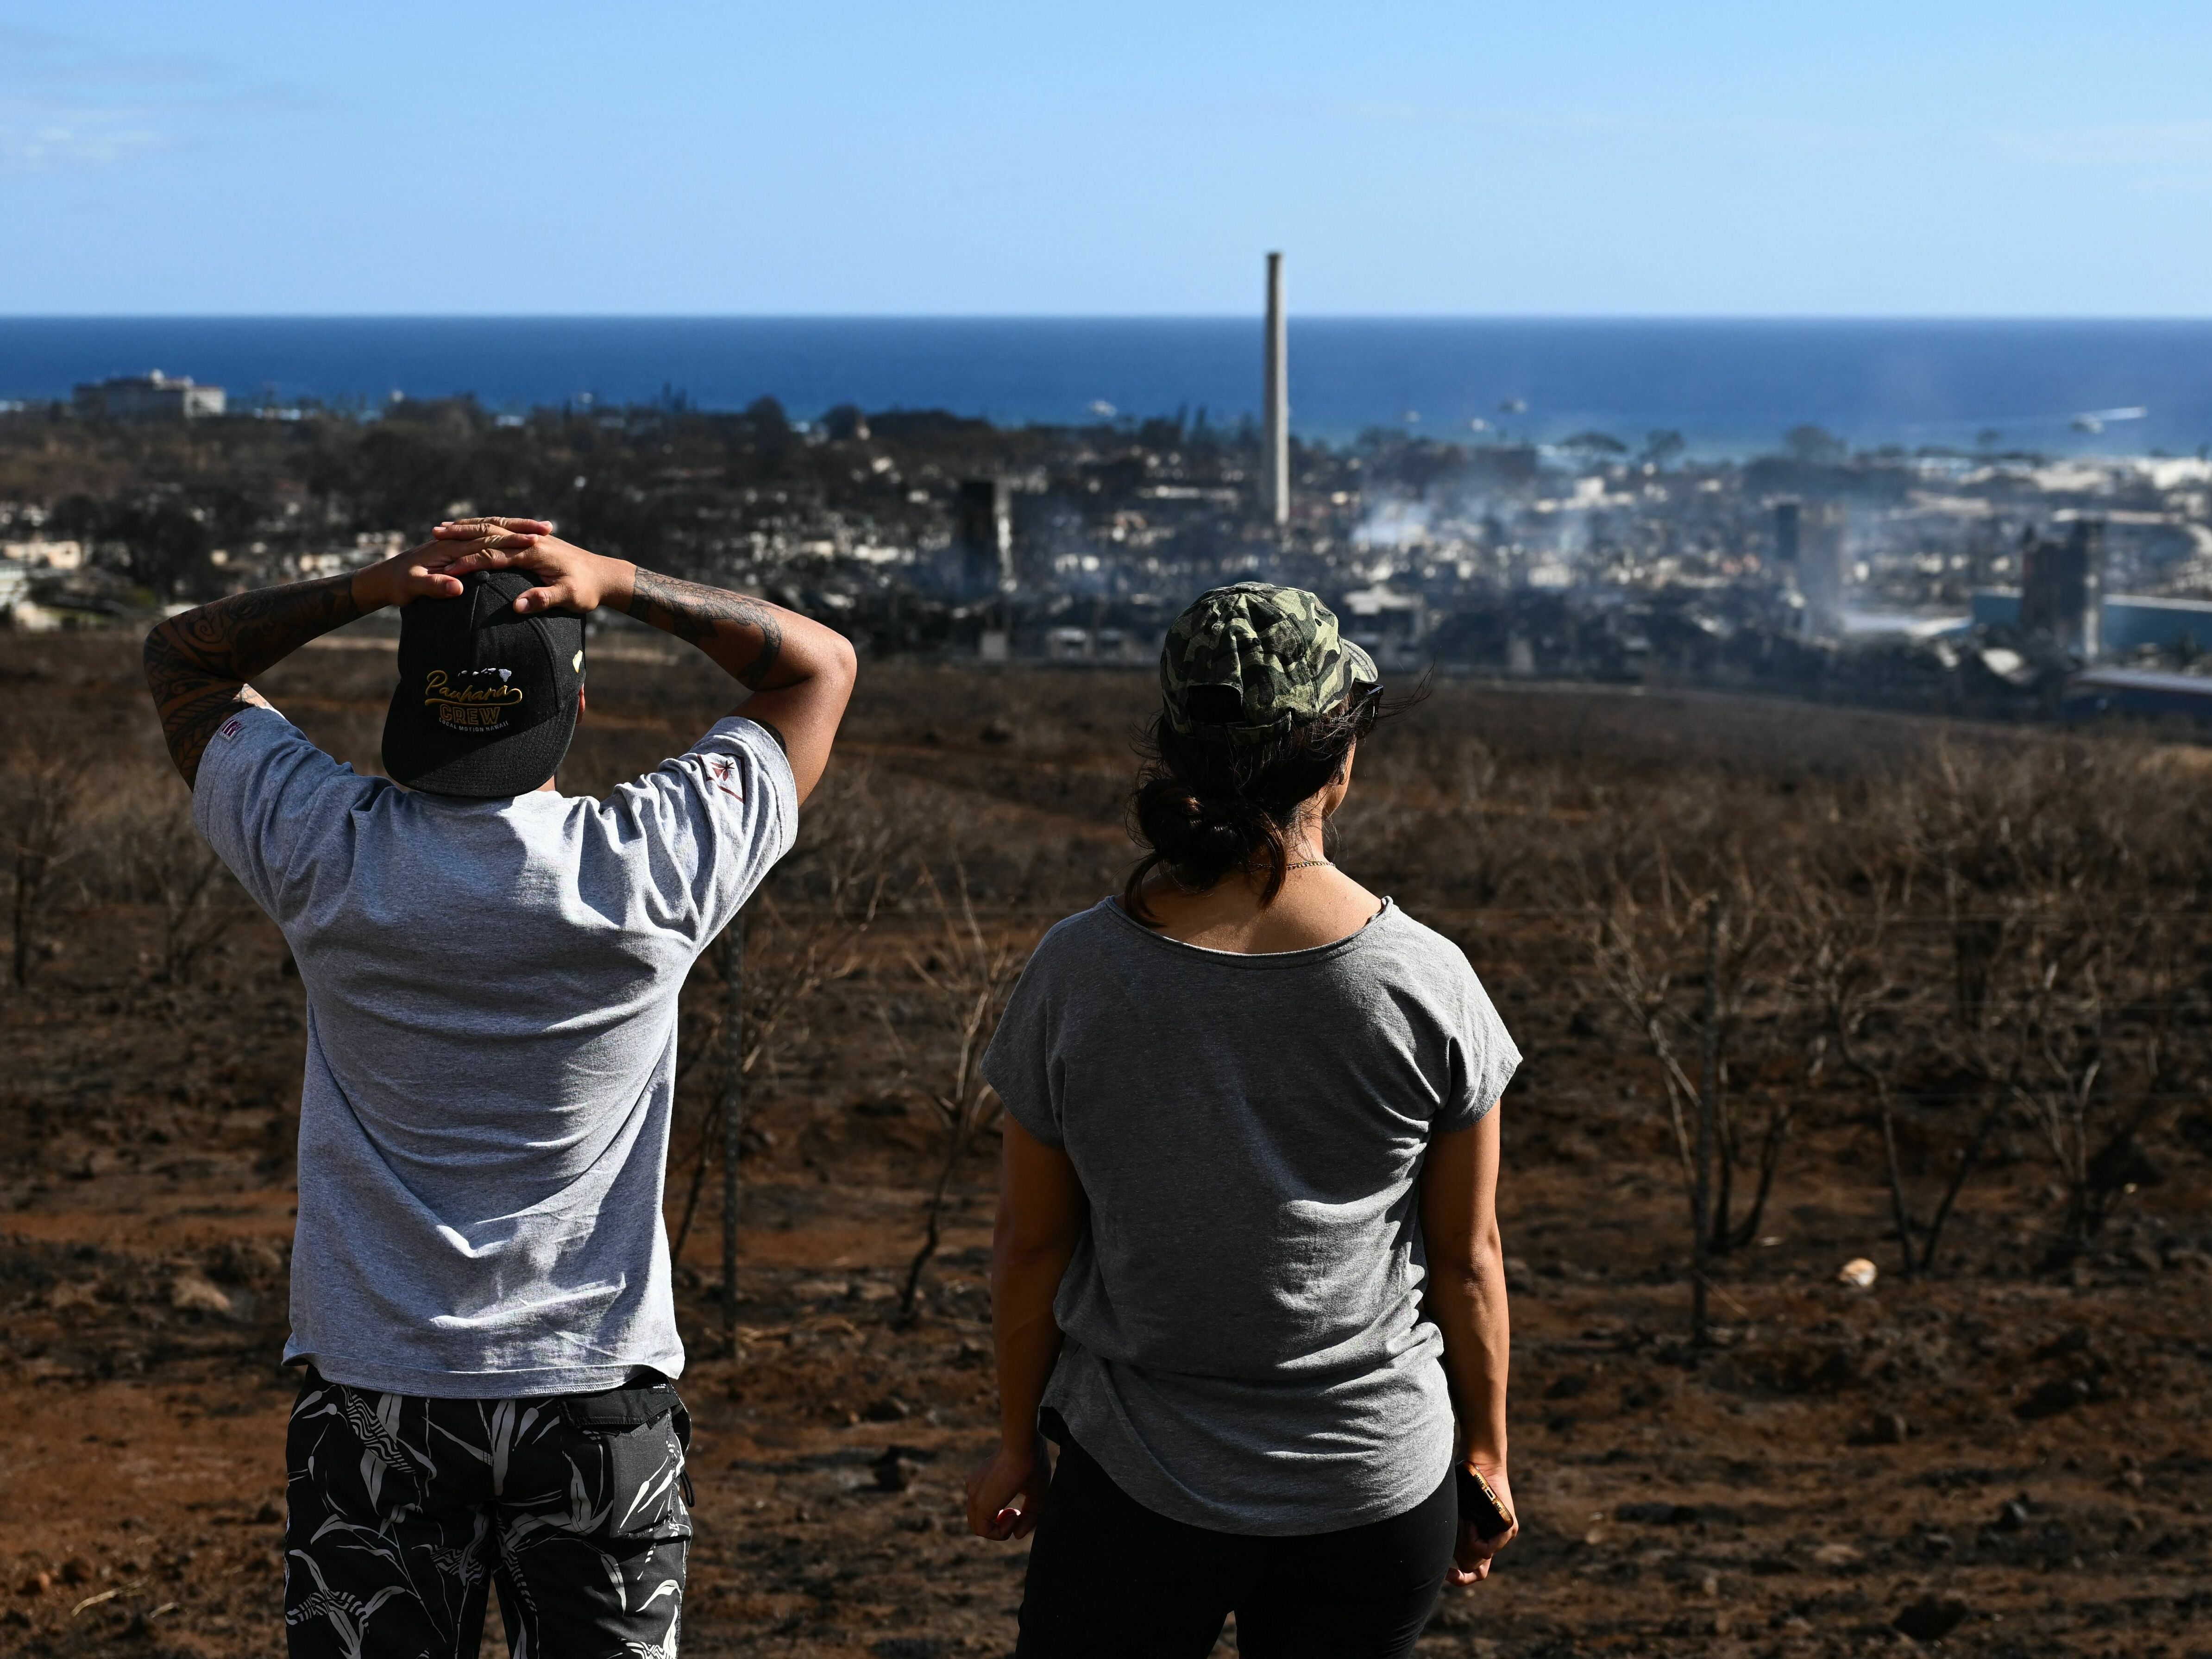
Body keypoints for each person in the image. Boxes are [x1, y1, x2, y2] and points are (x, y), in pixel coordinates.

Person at [141, 516, 856, 1659]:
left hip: (377, 1398)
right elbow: (819, 666)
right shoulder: (650, 866)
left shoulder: (327, 850)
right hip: (597, 1398)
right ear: (574, 705)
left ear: (405, 704)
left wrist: (372, 586)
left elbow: (183, 658)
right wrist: (617, 581)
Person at [964, 583, 1521, 1659]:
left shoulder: (1079, 970)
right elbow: (1469, 1257)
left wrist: (1016, 1445)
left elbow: (1030, 1244)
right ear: (1338, 763)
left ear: (1176, 751)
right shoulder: (1428, 980)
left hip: (1137, 1483)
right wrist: (1487, 1458)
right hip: (1373, 1488)